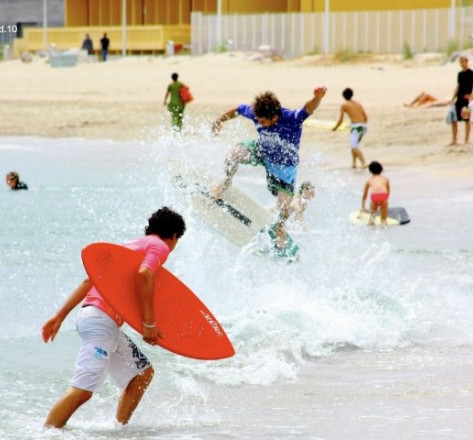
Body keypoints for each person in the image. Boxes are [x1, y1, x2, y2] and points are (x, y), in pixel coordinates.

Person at [41, 207, 186, 429]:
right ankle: (46, 433)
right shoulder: (159, 246)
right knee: (82, 391)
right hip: (101, 322)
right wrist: (149, 324)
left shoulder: (129, 244)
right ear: (174, 236)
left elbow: (89, 282)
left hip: (95, 317)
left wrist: (59, 316)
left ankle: (119, 429)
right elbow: (144, 275)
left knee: (142, 373)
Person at [211, 87, 327, 250]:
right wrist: (219, 120)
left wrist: (317, 98)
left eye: (264, 122)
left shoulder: (291, 118)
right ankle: (226, 182)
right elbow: (238, 109)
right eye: (258, 121)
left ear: (275, 116)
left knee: (285, 208)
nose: (261, 124)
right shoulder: (257, 113)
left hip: (284, 168)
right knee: (233, 154)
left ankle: (280, 227)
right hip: (261, 151)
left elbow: (308, 109)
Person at [332, 88, 368, 169]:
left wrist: (335, 128)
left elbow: (340, 120)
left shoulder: (344, 105)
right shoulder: (358, 103)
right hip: (364, 127)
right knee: (354, 145)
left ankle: (363, 162)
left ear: (343, 96)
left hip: (356, 127)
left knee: (354, 146)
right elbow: (365, 117)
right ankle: (354, 163)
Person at [449, 56, 473, 146]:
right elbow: (458, 86)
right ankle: (454, 139)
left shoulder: (472, 73)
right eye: (460, 62)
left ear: (466, 62)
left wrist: (472, 95)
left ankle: (466, 139)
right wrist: (453, 97)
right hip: (459, 98)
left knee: (466, 119)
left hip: (466, 100)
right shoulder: (460, 74)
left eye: (463, 62)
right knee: (454, 119)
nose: (461, 64)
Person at [361, 161, 390, 227]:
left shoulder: (369, 180)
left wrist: (363, 206)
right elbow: (388, 191)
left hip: (374, 197)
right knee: (384, 220)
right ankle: (384, 225)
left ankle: (371, 228)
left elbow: (364, 194)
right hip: (384, 196)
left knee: (372, 218)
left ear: (370, 171)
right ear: (381, 169)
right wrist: (384, 201)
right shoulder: (385, 179)